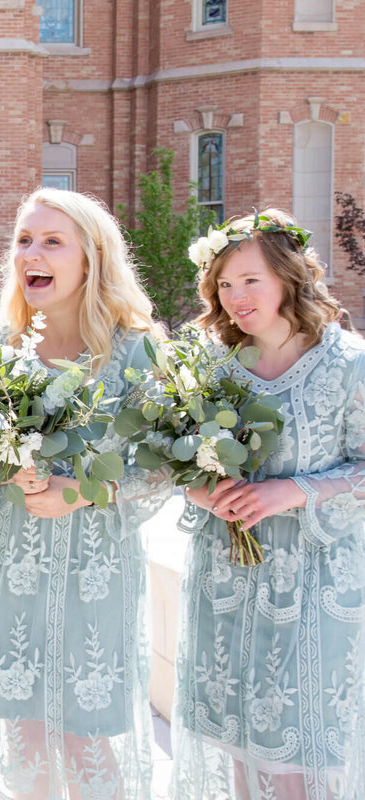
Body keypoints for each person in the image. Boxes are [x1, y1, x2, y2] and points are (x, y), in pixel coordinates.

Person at [0, 187, 170, 799]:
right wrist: (0, 470)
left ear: (92, 258)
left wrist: (90, 491)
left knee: (86, 739)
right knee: (24, 737)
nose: (32, 253)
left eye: (53, 242)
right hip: (11, 564)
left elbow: (168, 464)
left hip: (97, 570)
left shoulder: (136, 350)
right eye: (24, 241)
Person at [173, 209, 365, 799]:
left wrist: (293, 490)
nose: (234, 297)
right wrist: (201, 490)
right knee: (238, 741)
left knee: (301, 746)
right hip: (227, 579)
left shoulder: (349, 364)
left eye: (250, 280)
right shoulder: (211, 367)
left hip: (315, 579)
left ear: (288, 277)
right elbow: (173, 457)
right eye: (224, 284)